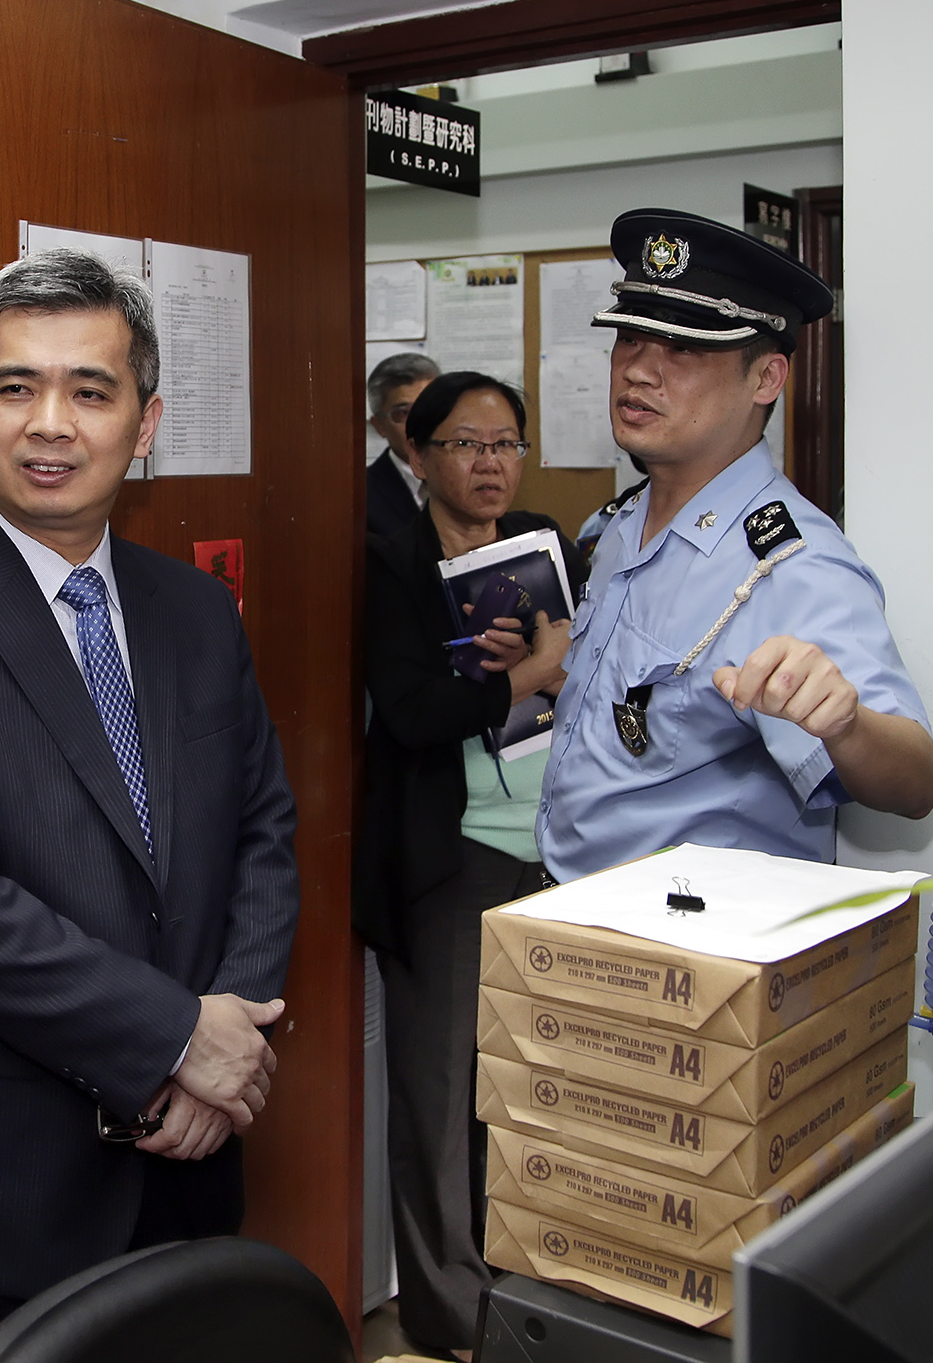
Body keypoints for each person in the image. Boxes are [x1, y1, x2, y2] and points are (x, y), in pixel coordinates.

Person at [0, 248, 300, 1363]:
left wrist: (228, 1032)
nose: (50, 424)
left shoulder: (196, 612)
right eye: (16, 386)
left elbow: (263, 831)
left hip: (187, 1170)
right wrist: (176, 1038)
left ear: (145, 422)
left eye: (90, 390)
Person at [538, 209, 933, 882]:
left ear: (766, 380)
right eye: (630, 338)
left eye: (683, 348)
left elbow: (917, 784)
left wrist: (845, 725)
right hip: (566, 910)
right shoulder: (622, 524)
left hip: (685, 934)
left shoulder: (791, 565)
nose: (639, 371)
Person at [355, 371, 580, 1357]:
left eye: (505, 444)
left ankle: (525, 1287)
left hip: (556, 846)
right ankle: (451, 1316)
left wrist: (549, 664)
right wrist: (526, 675)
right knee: (440, 1097)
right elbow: (410, 712)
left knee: (530, 1087)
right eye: (465, 444)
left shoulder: (542, 544)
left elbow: (588, 673)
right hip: (449, 858)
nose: (490, 464)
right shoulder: (389, 561)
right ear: (419, 453)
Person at [366, 351, 440, 538]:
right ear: (380, 426)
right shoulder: (361, 496)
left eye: (430, 407)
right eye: (404, 413)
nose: (421, 422)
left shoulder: (474, 474)